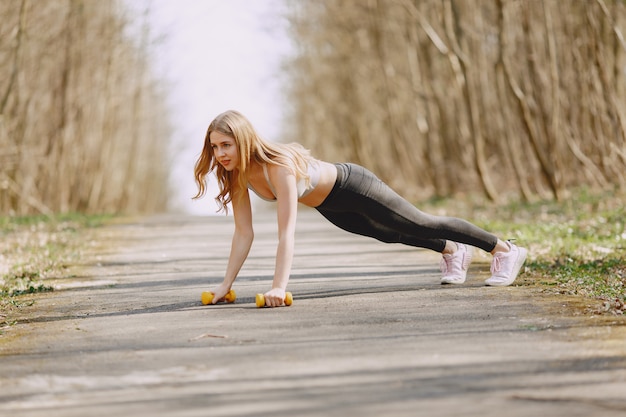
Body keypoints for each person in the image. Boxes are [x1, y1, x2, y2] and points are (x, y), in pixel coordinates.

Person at [193, 110, 528, 307]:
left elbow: (286, 233)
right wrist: (225, 285)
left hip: (352, 185)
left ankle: (505, 249)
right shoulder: (234, 174)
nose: (221, 153)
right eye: (215, 147)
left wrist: (279, 286)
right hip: (329, 205)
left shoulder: (277, 166)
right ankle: (452, 250)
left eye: (227, 145)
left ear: (244, 139)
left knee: (420, 222)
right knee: (388, 234)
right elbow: (243, 233)